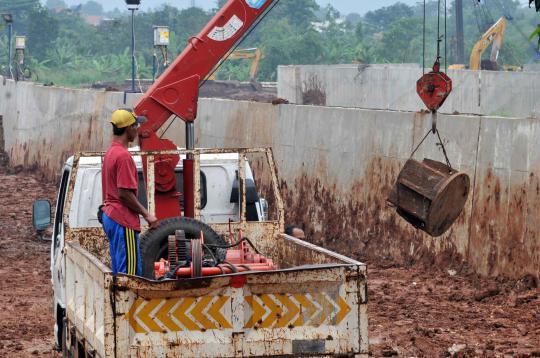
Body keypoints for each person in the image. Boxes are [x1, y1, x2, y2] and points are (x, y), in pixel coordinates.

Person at [101, 108, 159, 275]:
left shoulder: (111, 152)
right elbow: (124, 194)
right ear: (128, 129)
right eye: (135, 125)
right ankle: (128, 302)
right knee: (130, 273)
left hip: (111, 216)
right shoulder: (123, 157)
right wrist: (146, 214)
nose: (137, 129)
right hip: (122, 218)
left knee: (119, 269)